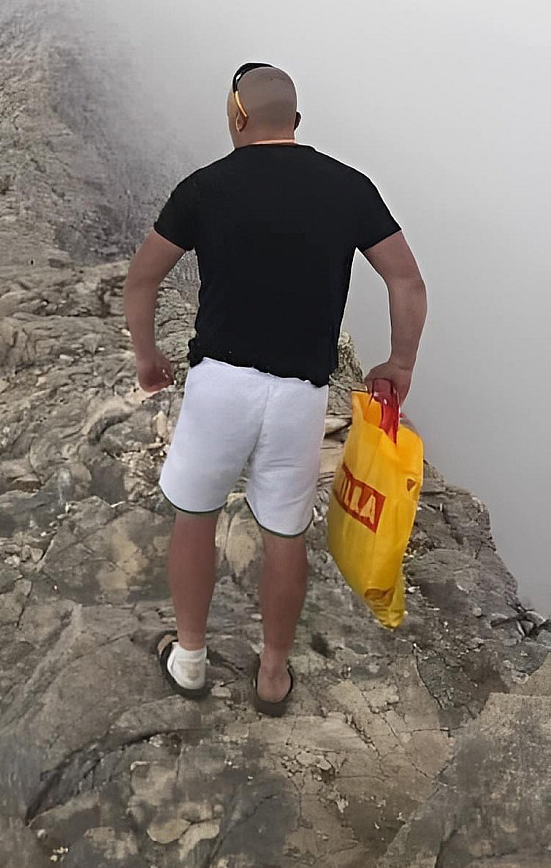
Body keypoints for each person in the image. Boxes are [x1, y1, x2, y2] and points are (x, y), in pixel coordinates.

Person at [123, 62, 427, 713]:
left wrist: (148, 357)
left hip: (219, 385)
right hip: (299, 396)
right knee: (284, 536)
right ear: (296, 120)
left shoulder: (204, 187)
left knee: (196, 519)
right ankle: (271, 676)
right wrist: (399, 362)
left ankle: (191, 659)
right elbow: (406, 280)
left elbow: (143, 278)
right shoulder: (349, 187)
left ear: (237, 116)